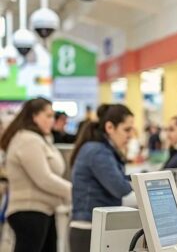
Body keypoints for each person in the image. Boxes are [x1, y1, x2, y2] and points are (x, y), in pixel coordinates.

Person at [0, 97, 71, 252]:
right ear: (34, 116)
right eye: (48, 115)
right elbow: (43, 179)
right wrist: (73, 191)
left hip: (43, 211)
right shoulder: (27, 140)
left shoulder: (40, 139)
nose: (52, 120)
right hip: (29, 211)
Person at [69, 104, 134, 252]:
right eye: (126, 129)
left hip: (95, 227)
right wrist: (140, 184)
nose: (130, 135)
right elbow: (119, 187)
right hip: (88, 229)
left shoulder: (102, 150)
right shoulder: (98, 152)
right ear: (110, 127)